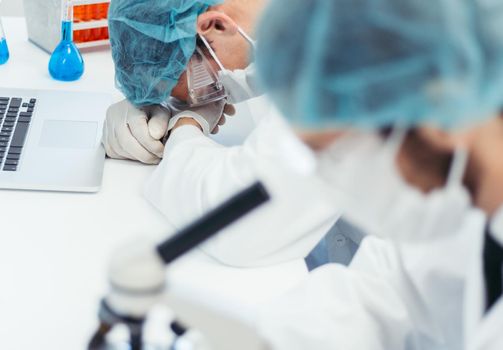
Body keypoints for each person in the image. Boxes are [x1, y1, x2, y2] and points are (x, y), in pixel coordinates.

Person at [165, 0, 503, 349]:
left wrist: (184, 131)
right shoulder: (457, 215)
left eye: (338, 155)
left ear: (442, 110)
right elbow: (384, 294)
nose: (336, 182)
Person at [103, 0, 359, 268]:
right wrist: (154, 104)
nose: (210, 96)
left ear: (216, 24)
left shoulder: (344, 50)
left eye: (205, 86)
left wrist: (184, 127)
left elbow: (239, 224)